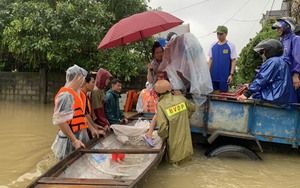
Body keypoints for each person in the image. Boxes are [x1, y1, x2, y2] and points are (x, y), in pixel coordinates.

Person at [51, 65, 94, 161]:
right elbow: (61, 121)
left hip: (79, 135)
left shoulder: (77, 93)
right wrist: (74, 140)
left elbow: (81, 115)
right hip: (69, 139)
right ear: (77, 78)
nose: (83, 81)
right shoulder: (66, 95)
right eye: (82, 78)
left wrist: (91, 129)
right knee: (65, 164)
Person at [237, 39, 297, 106]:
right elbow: (272, 81)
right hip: (284, 99)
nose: (261, 55)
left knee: (250, 100)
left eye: (262, 52)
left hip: (274, 98)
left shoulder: (273, 61)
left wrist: (247, 93)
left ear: (270, 51)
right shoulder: (283, 61)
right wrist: (251, 85)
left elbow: (262, 79)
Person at [155, 80, 196, 165]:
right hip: (187, 149)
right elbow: (193, 108)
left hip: (175, 152)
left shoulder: (161, 105)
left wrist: (162, 137)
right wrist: (184, 117)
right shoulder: (181, 99)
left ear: (158, 93)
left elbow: (163, 128)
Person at [271, 17, 300, 101]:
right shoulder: (281, 41)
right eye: (276, 28)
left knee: (296, 101)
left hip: (294, 77)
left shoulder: (296, 39)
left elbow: (297, 57)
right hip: (284, 76)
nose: (277, 30)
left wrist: (296, 75)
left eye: (279, 27)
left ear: (287, 26)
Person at [208, 25, 237, 94]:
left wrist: (231, 74)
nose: (219, 36)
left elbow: (233, 60)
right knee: (213, 93)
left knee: (223, 94)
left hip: (224, 76)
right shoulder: (213, 45)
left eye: (221, 34)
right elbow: (210, 59)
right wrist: (207, 72)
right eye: (218, 34)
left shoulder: (231, 45)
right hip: (213, 75)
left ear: (226, 34)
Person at [80, 74, 106, 139]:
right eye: (92, 82)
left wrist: (94, 125)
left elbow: (87, 114)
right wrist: (93, 129)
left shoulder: (85, 96)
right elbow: (84, 116)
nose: (94, 85)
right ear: (85, 83)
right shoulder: (80, 96)